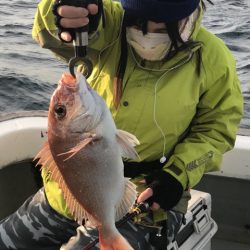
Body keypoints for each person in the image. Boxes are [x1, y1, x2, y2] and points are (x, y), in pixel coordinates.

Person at [0, 0, 243, 249]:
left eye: (167, 24)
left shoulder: (214, 58)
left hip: (147, 199)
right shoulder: (109, 25)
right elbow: (51, 31)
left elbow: (216, 131)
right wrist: (63, 12)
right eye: (138, 20)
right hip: (69, 195)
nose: (149, 31)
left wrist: (177, 175)